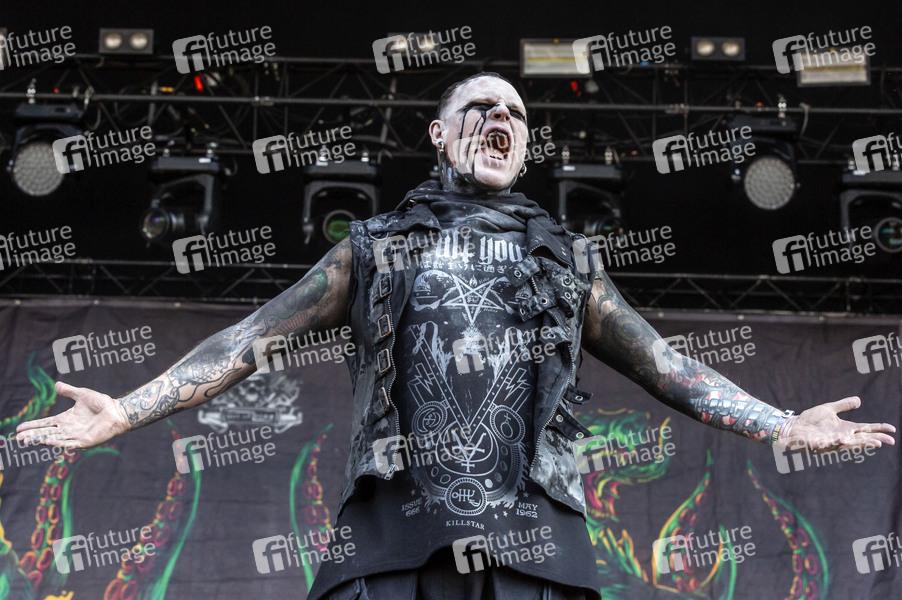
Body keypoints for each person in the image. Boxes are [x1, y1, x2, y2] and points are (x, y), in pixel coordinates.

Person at [15, 72, 896, 600]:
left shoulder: (569, 262)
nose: (501, 120)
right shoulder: (373, 248)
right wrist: (124, 411)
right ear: (439, 134)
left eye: (515, 113)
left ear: (527, 145)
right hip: (392, 536)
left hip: (535, 541)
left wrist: (784, 424)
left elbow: (666, 365)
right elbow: (247, 340)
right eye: (480, 107)